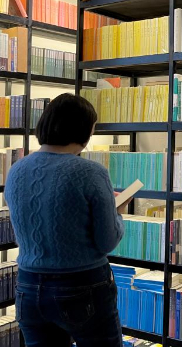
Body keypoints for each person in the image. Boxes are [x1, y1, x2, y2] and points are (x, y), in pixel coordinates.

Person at [5, 93, 132, 347]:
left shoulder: (17, 169)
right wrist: (117, 212)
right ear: (84, 130)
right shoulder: (90, 172)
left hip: (28, 286)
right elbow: (107, 241)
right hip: (82, 285)